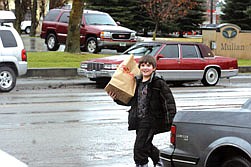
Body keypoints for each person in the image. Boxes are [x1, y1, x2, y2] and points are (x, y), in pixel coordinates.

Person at [108, 55, 176, 167]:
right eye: (143, 65)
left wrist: (170, 120)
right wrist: (116, 98)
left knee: (139, 147)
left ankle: (141, 164)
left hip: (151, 120)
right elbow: (130, 101)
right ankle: (159, 160)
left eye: (148, 65)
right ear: (139, 67)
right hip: (138, 119)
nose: (145, 68)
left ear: (154, 68)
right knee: (146, 144)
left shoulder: (158, 83)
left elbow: (168, 102)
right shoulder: (137, 82)